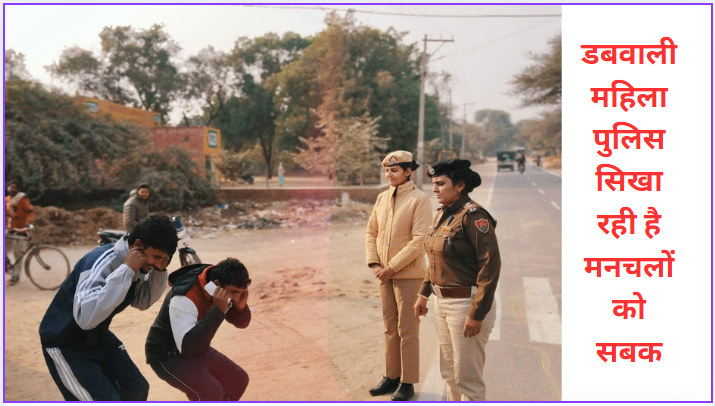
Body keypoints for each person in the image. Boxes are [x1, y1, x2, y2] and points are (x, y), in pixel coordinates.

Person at [39, 215, 178, 401]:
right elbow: (85, 318)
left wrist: (160, 272)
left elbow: (142, 301)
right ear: (137, 245)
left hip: (98, 336)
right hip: (65, 342)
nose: (158, 264)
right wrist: (126, 270)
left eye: (164, 260)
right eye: (157, 257)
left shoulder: (140, 264)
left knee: (137, 388)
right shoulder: (101, 262)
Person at [414, 159, 501, 401]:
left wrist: (477, 312)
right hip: (442, 303)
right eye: (434, 184)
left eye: (441, 183)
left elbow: (490, 266)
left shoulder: (474, 217)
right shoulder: (442, 215)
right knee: (449, 374)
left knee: (468, 380)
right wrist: (423, 293)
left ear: (460, 185)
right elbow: (435, 260)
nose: (435, 189)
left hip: (466, 305)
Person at [365, 150, 432, 401]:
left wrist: (392, 266)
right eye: (386, 170)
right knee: (389, 328)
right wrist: (374, 264)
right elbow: (371, 232)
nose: (389, 174)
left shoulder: (419, 200)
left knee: (407, 330)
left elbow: (419, 240)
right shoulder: (382, 198)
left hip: (408, 275)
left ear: (408, 172)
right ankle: (391, 376)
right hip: (384, 274)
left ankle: (408, 382)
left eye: (394, 170)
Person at [145, 258, 251, 401]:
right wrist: (218, 310)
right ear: (217, 285)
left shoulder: (217, 283)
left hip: (197, 346)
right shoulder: (184, 297)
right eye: (233, 292)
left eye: (241, 292)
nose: (236, 297)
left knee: (238, 379)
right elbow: (187, 347)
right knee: (210, 391)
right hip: (166, 355)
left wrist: (240, 308)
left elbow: (241, 323)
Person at [5, 180, 36, 285]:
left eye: (15, 188)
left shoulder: (22, 199)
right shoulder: (6, 200)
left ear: (18, 190)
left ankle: (16, 275)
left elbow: (30, 212)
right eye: (11, 187)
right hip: (10, 230)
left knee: (18, 254)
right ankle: (6, 265)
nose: (12, 189)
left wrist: (28, 221)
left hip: (21, 230)